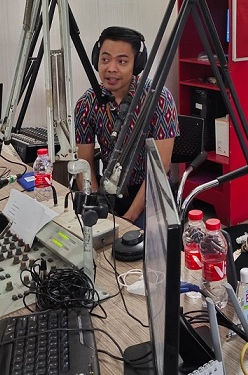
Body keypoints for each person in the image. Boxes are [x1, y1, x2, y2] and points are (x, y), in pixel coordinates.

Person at [74, 26, 179, 228]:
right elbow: (84, 164)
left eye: (122, 61)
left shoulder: (158, 99)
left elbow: (161, 168)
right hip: (109, 193)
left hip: (150, 193)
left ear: (137, 65)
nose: (111, 68)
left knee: (135, 245)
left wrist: (128, 219)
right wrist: (95, 205)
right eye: (105, 59)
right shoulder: (87, 102)